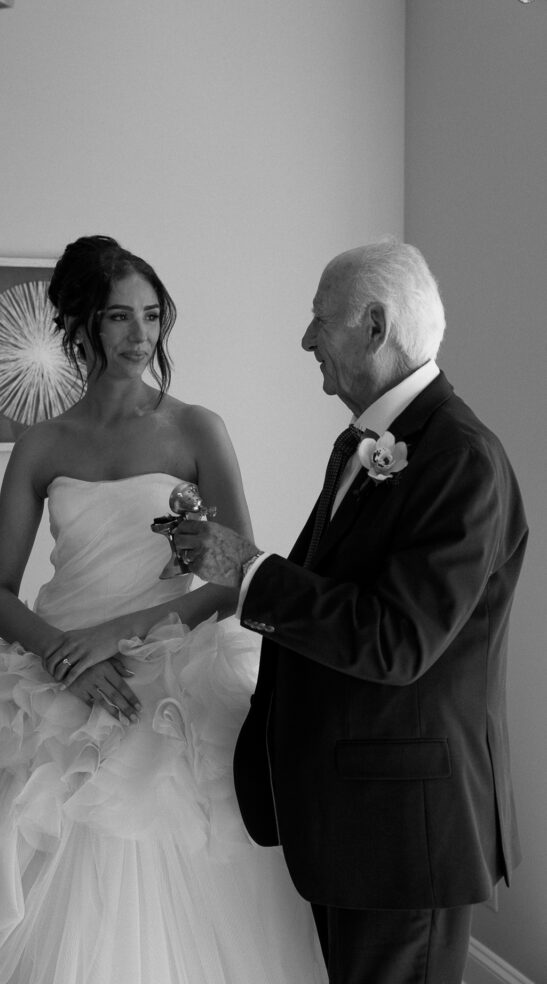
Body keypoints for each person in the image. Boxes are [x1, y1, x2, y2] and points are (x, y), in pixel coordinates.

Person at [0, 235, 326, 983]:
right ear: (79, 326)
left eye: (152, 315)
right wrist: (63, 656)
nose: (140, 335)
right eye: (118, 316)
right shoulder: (41, 444)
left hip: (169, 675)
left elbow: (235, 577)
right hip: (58, 674)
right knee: (26, 848)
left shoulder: (195, 429)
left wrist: (114, 635)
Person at [175, 239, 529, 984]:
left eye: (319, 318)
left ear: (374, 326)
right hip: (355, 819)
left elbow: (397, 641)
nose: (307, 339)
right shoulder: (369, 444)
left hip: (404, 834)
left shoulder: (461, 458)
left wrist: (248, 571)